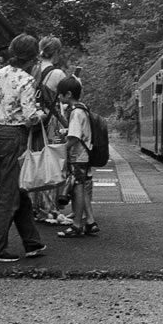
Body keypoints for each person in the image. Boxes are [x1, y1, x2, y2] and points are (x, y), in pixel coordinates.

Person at [0, 34, 49, 263]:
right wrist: (43, 114)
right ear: (33, 58)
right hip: (13, 136)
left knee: (17, 189)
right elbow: (29, 117)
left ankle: (32, 243)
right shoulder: (27, 80)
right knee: (9, 195)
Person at [32, 36, 71, 225]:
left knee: (35, 163)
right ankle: (50, 210)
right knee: (53, 165)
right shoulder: (57, 74)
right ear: (56, 52)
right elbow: (65, 99)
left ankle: (36, 207)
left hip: (32, 124)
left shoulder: (31, 69)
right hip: (51, 125)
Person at [54, 76, 100, 238]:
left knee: (77, 189)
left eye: (60, 94)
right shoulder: (83, 109)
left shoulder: (75, 112)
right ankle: (90, 222)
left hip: (79, 156)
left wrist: (61, 149)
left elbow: (74, 137)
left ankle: (77, 225)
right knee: (84, 188)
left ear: (67, 94)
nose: (59, 97)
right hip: (86, 155)